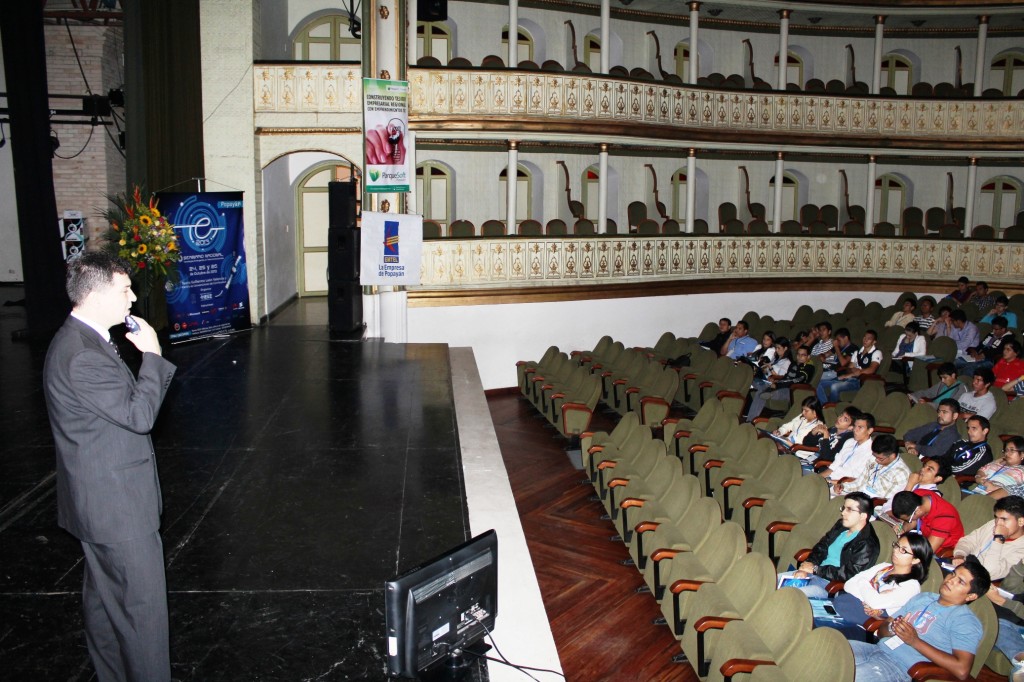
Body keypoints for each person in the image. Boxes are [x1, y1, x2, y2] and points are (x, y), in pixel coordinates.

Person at [42, 252, 177, 682]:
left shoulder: (81, 340)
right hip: (118, 510)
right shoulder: (82, 355)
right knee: (142, 616)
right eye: (124, 289)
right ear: (97, 295)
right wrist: (153, 357)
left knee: (105, 608)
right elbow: (139, 417)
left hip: (96, 505)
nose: (133, 297)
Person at [849, 557, 989, 682]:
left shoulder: (965, 621)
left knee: (845, 676)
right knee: (831, 651)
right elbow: (882, 631)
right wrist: (893, 628)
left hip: (899, 668)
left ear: (971, 596)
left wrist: (914, 641)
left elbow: (962, 670)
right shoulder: (924, 597)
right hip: (876, 649)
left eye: (960, 582)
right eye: (953, 574)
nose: (951, 580)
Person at [780, 492, 880, 599]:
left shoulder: (867, 544)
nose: (843, 513)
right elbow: (821, 546)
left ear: (863, 516)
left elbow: (849, 574)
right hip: (813, 573)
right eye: (844, 508)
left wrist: (816, 569)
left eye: (849, 509)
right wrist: (808, 565)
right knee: (771, 581)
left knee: (787, 594)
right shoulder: (841, 525)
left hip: (829, 585)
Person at [842, 532, 933, 618]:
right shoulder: (884, 566)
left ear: (916, 560)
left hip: (866, 621)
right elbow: (848, 584)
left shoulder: (911, 586)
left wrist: (862, 581)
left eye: (903, 550)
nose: (895, 551)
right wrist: (869, 598)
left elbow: (875, 602)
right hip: (849, 605)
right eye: (897, 545)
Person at [952, 496, 1024, 580]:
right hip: (963, 569)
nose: (998, 523)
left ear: (1021, 522)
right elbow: (968, 541)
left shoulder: (1021, 549)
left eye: (1004, 519)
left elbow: (989, 573)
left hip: (980, 583)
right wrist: (960, 555)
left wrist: (998, 540)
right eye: (996, 517)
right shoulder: (992, 524)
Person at [744, 344, 815, 422]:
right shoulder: (794, 364)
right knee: (756, 381)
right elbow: (786, 377)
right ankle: (765, 388)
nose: (799, 356)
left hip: (792, 391)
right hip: (782, 386)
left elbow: (797, 380)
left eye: (803, 355)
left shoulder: (809, 367)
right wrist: (776, 381)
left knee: (762, 392)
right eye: (798, 354)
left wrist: (777, 384)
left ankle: (750, 421)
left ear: (808, 357)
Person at [836, 434, 910, 502]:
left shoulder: (901, 473)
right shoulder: (873, 459)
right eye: (875, 456)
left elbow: (887, 501)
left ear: (892, 456)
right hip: (860, 497)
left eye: (880, 458)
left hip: (875, 505)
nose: (876, 460)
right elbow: (860, 483)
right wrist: (843, 487)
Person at [816, 329, 883, 404]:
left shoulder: (877, 352)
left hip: (859, 381)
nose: (865, 340)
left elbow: (871, 369)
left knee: (834, 387)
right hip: (848, 377)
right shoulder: (857, 352)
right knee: (818, 383)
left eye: (869, 339)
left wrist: (856, 372)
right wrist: (853, 372)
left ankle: (830, 408)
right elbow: (849, 369)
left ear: (874, 342)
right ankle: (824, 406)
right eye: (864, 337)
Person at [892, 489, 965, 554]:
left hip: (943, 550)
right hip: (924, 538)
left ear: (918, 511)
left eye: (908, 519)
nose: (907, 522)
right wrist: (902, 529)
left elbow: (927, 551)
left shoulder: (944, 517)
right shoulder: (918, 495)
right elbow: (914, 520)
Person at [877, 458, 951, 516]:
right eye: (924, 466)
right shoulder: (914, 482)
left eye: (929, 469)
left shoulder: (933, 496)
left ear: (937, 478)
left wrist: (910, 485)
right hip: (887, 517)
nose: (922, 469)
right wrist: (888, 514)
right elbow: (889, 504)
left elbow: (907, 515)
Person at [819, 412, 876, 482]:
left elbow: (856, 480)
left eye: (860, 427)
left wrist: (828, 482)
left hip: (842, 487)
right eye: (855, 426)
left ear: (870, 430)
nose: (855, 430)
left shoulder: (871, 452)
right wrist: (818, 478)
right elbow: (833, 467)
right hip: (830, 479)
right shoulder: (849, 442)